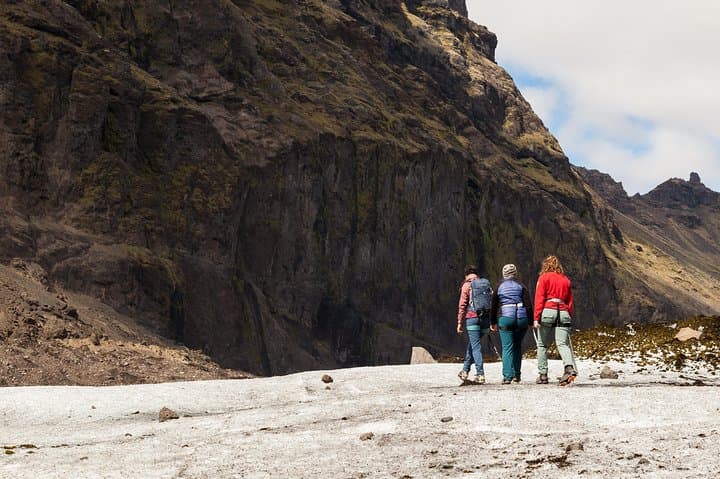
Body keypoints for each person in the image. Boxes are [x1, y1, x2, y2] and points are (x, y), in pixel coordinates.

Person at [533, 255, 578, 385]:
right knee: (562, 343)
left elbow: (539, 298)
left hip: (548, 310)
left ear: (546, 265)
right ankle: (569, 368)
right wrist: (569, 315)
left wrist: (536, 318)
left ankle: (543, 375)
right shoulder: (566, 280)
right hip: (563, 312)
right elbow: (570, 301)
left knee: (542, 344)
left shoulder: (544, 278)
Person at [489, 264, 533, 384]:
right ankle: (517, 375)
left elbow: (493, 306)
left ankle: (507, 376)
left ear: (504, 274)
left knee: (507, 347)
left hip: (506, 318)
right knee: (517, 346)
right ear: (515, 273)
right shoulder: (521, 286)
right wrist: (530, 321)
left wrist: (492, 322)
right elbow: (528, 305)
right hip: (521, 318)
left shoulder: (499, 286)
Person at [456, 265, 491, 384]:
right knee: (473, 344)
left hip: (472, 318)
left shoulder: (466, 285)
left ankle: (480, 374)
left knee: (475, 346)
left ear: (466, 275)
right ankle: (465, 371)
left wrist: (460, 322)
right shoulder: (485, 284)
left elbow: (462, 306)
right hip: (485, 320)